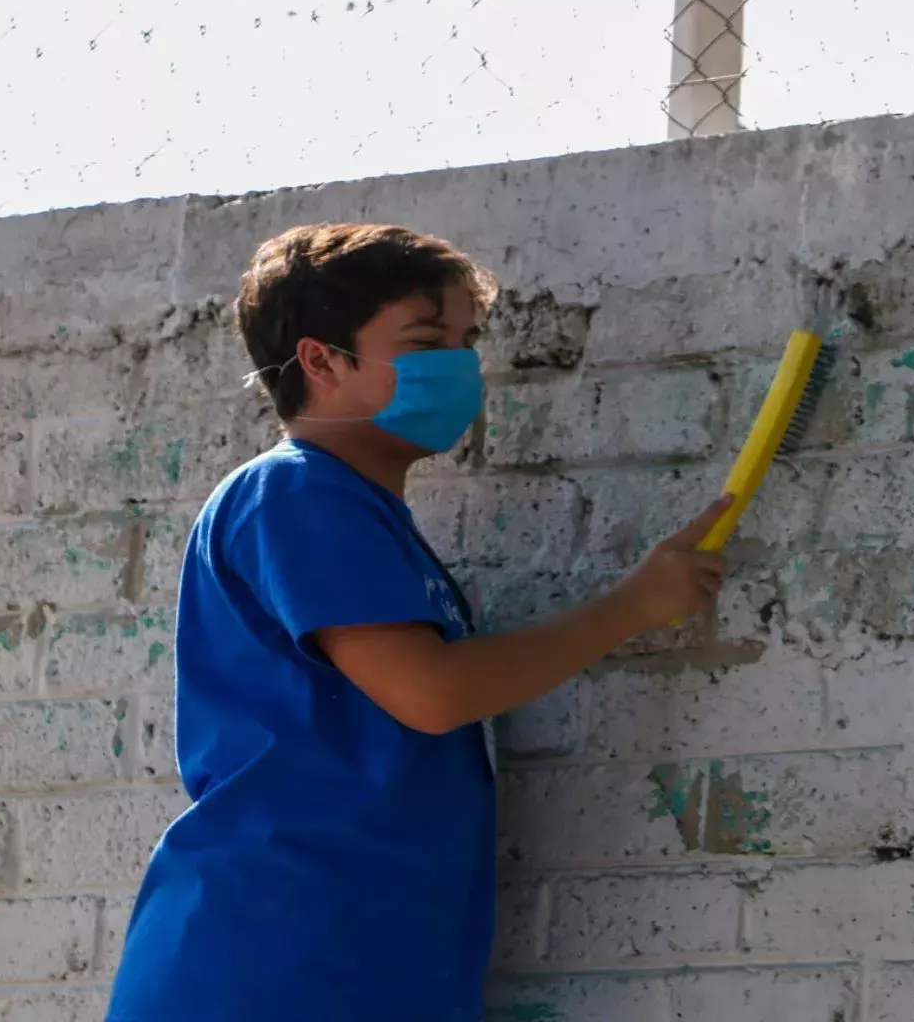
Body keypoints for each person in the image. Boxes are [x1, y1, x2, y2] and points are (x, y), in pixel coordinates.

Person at [106, 224, 731, 1022]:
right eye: (427, 340)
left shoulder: (363, 518)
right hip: (276, 961)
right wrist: (634, 606)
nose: (461, 366)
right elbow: (429, 694)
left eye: (466, 341)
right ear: (322, 360)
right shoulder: (299, 493)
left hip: (356, 959)